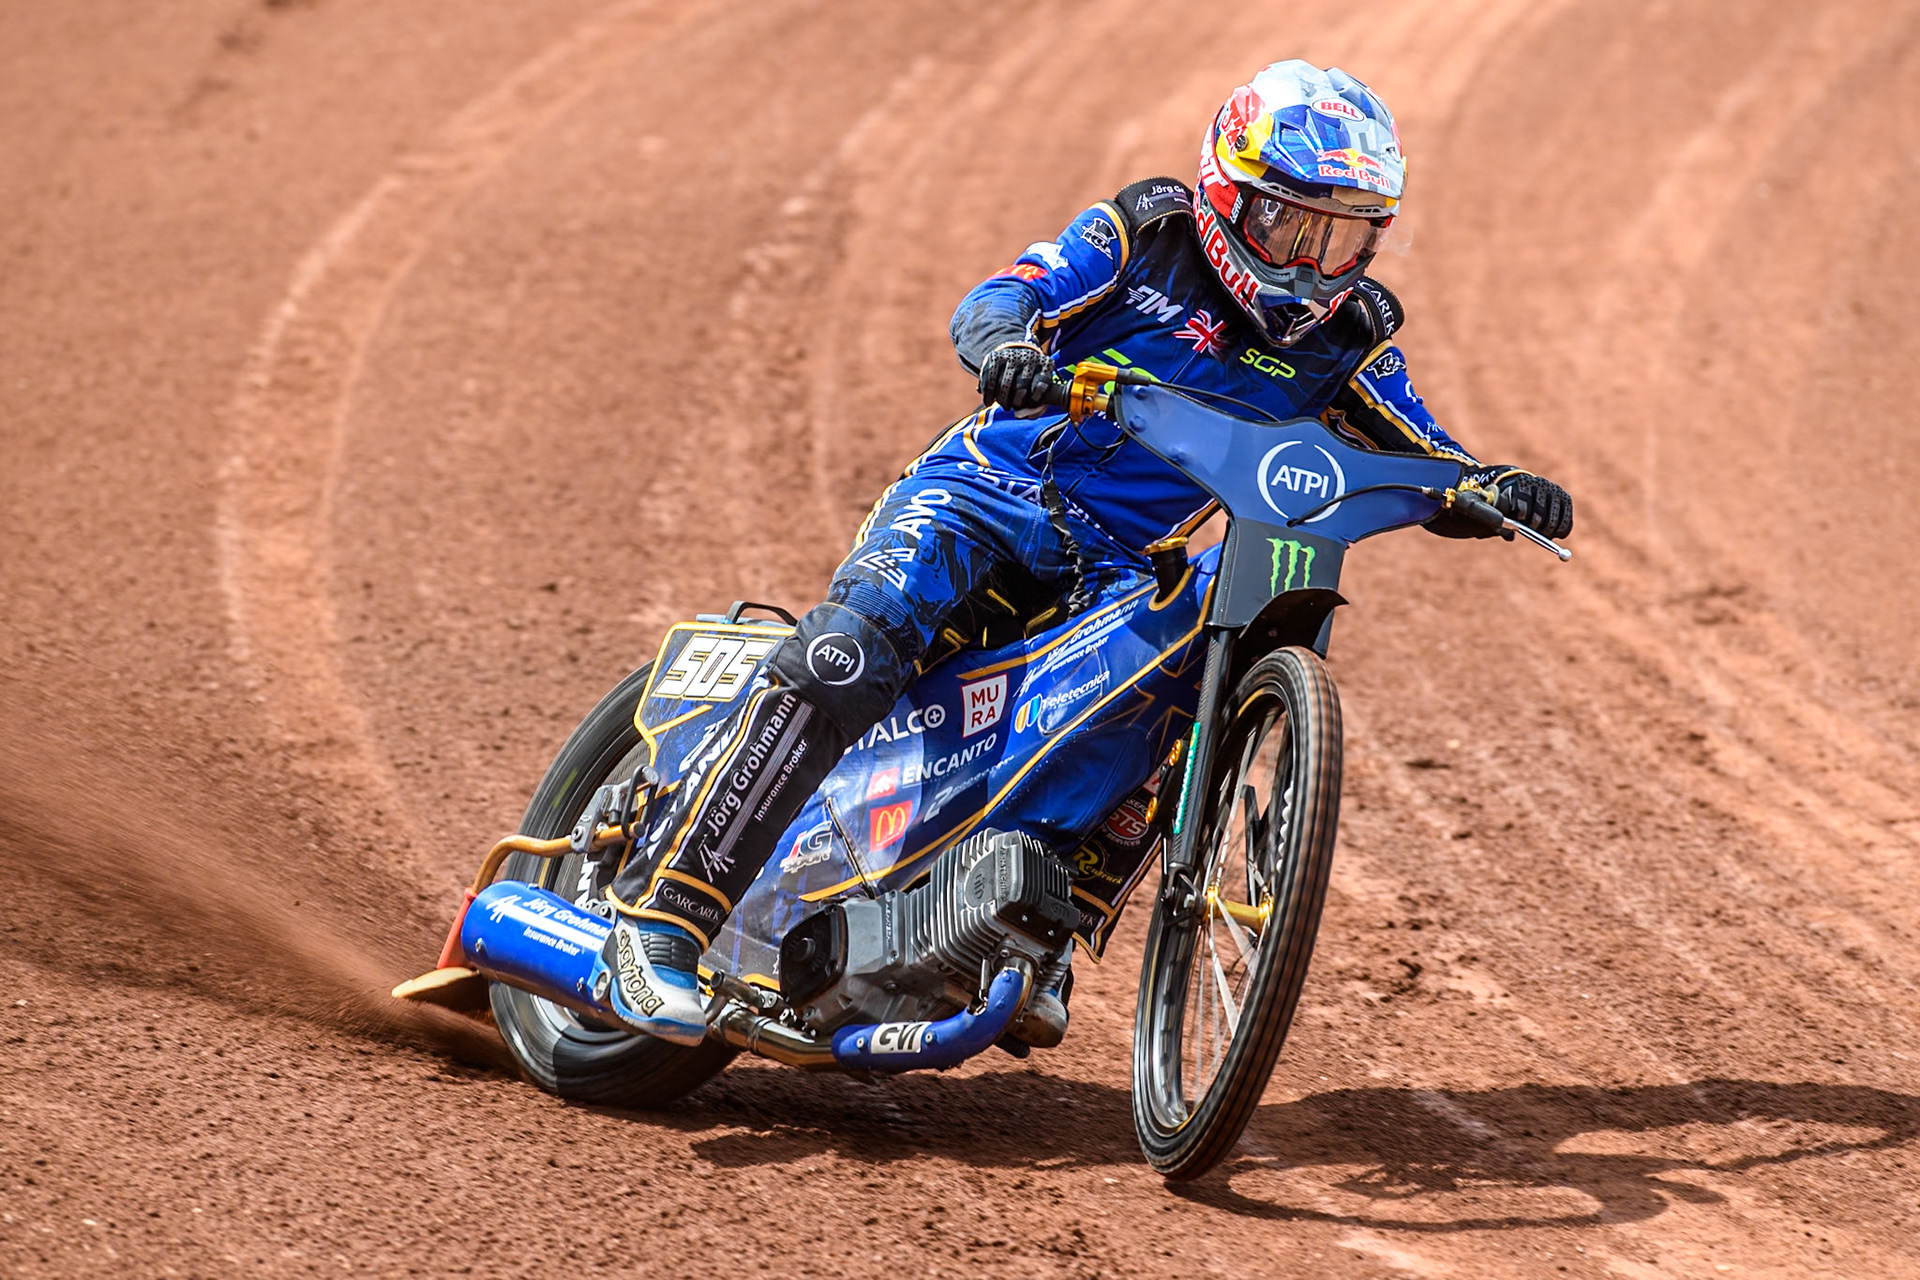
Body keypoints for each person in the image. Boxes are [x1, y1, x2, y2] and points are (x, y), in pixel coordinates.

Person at [596, 59, 1574, 1045]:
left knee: (1174, 685)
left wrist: (1491, 487)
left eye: (1347, 236)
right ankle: (660, 923)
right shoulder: (1144, 235)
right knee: (852, 648)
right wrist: (1007, 349)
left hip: (1109, 570)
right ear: (1230, 199)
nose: (1317, 265)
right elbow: (1003, 296)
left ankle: (1030, 926)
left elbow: (1425, 452)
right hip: (978, 500)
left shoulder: (1349, 339)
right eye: (1295, 228)